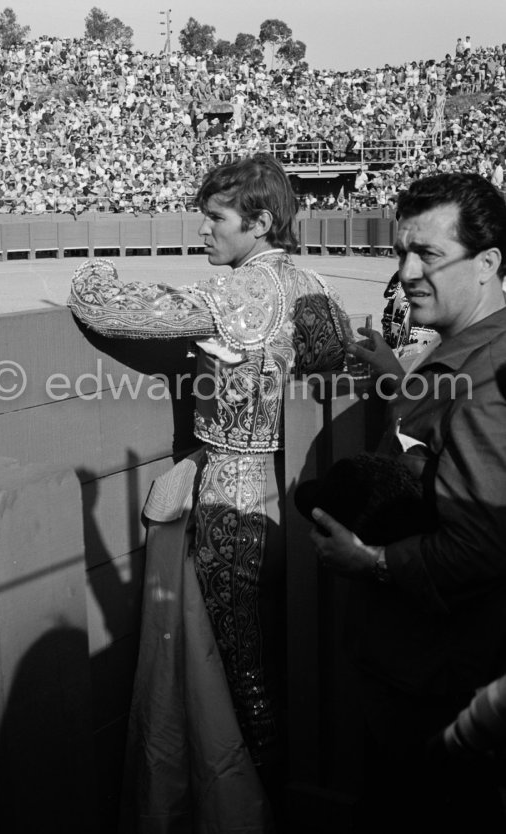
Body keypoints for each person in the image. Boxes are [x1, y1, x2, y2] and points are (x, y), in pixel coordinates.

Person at [68, 154, 349, 833]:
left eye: (216, 217)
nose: (202, 228)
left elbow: (115, 311)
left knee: (237, 672)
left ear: (258, 221)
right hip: (287, 492)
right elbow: (331, 351)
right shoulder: (309, 281)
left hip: (233, 499)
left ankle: (254, 811)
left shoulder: (247, 293)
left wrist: (90, 273)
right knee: (276, 662)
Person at [308, 172, 506, 833]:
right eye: (400, 252)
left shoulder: (484, 381)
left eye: (426, 254)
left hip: (441, 681)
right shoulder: (472, 356)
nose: (405, 272)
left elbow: (481, 544)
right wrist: (402, 376)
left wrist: (369, 562)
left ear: (488, 264)